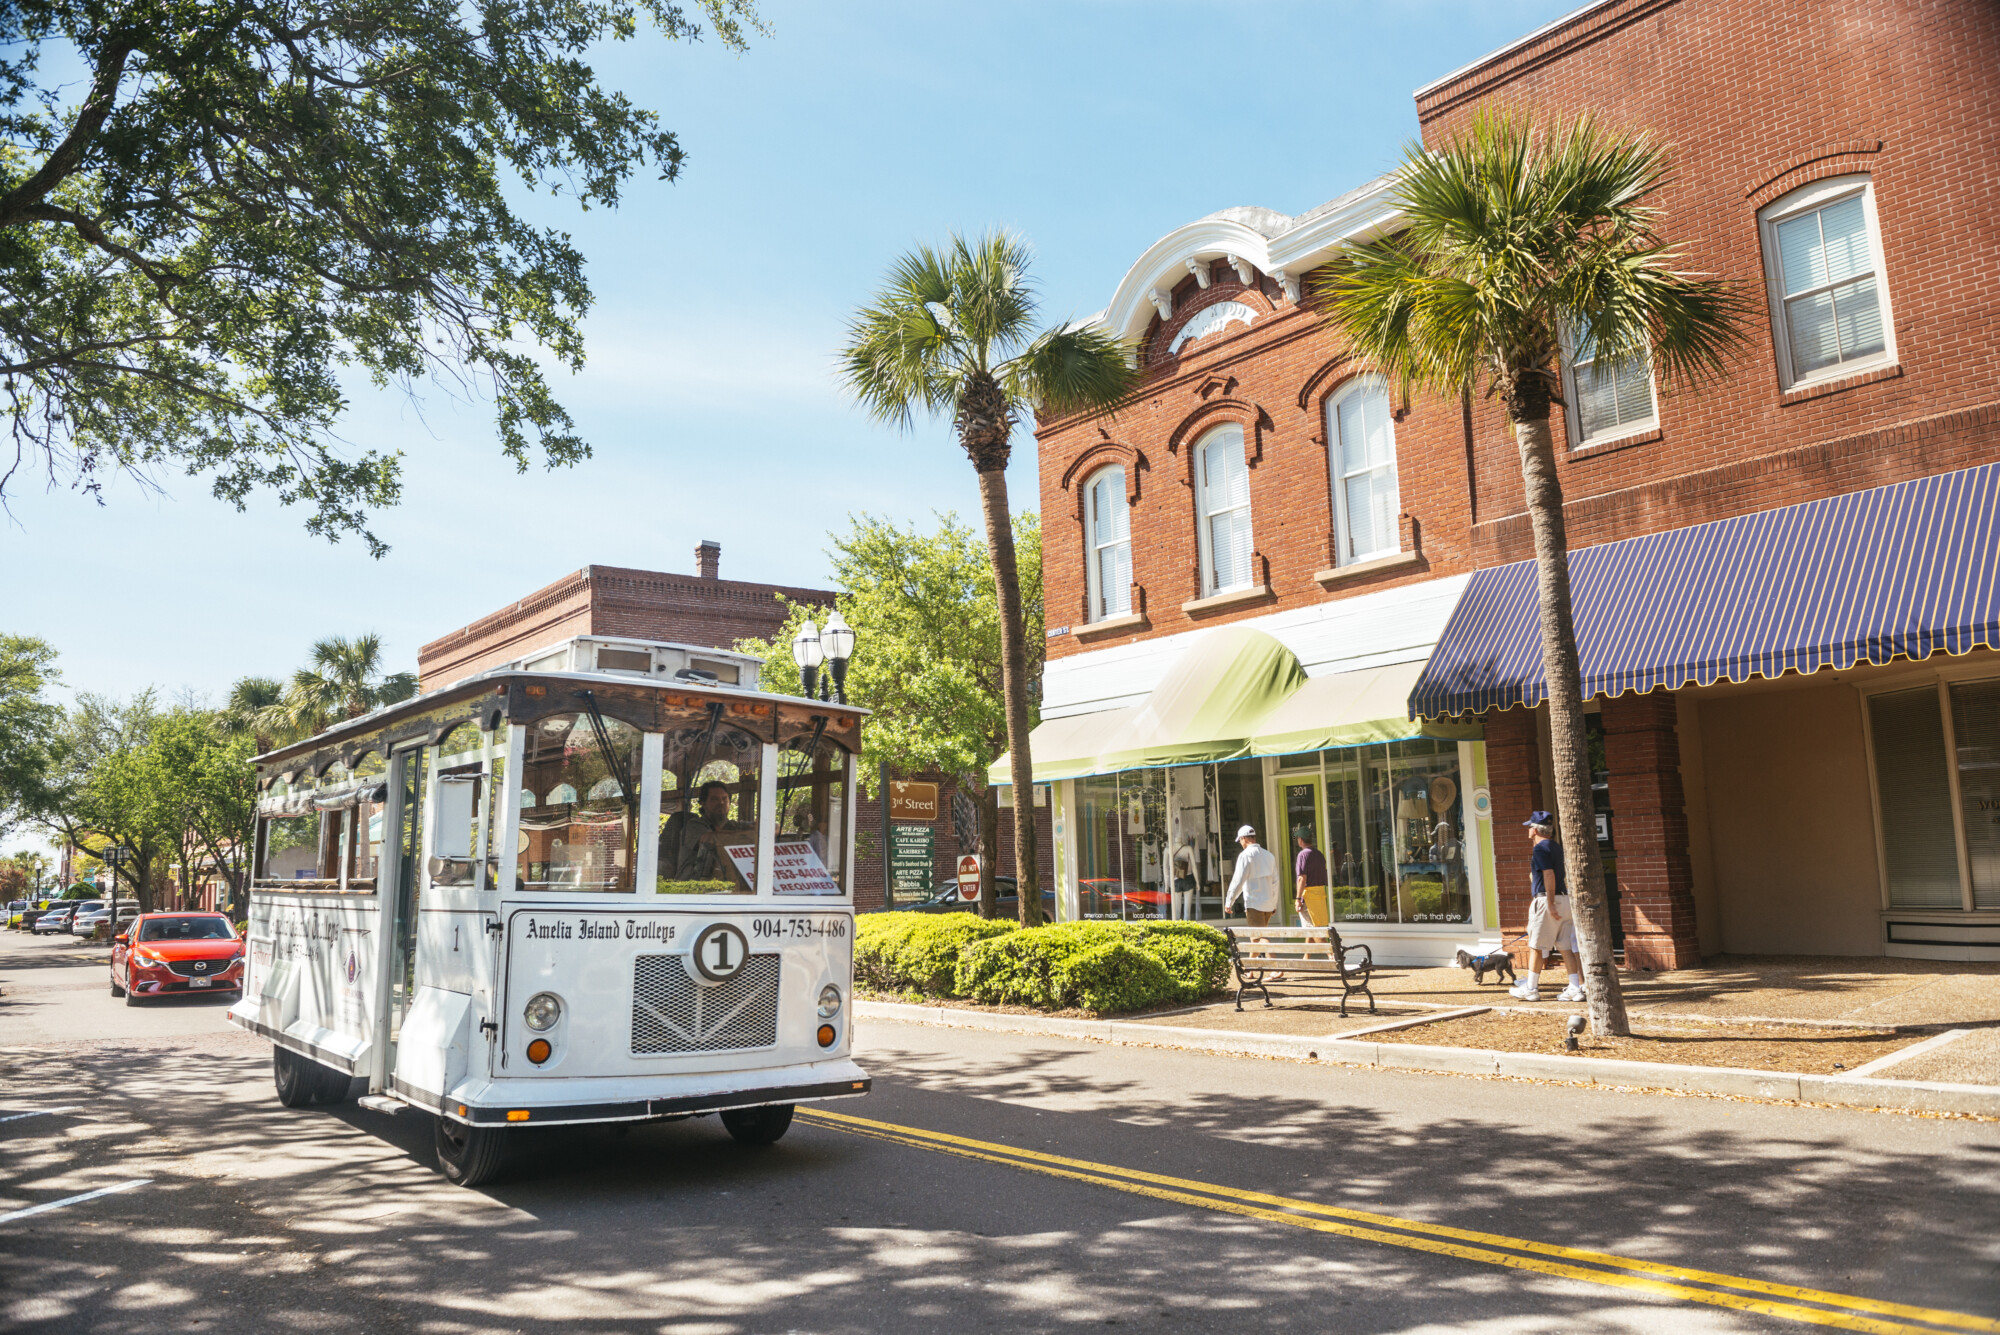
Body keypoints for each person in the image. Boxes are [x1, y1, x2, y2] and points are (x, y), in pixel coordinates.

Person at [1512, 812, 1586, 1003]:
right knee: (1566, 947)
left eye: (1530, 827)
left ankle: (1531, 989)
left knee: (1536, 946)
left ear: (1535, 830)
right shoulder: (1555, 846)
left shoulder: (1540, 849)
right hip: (1564, 899)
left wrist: (1550, 902)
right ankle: (1575, 988)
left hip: (1547, 900)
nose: (1528, 830)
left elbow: (1549, 874)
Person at [659, 781, 748, 882]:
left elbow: (755, 829)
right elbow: (709, 841)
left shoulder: (734, 826)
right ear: (703, 803)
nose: (721, 803)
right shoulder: (693, 826)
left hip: (721, 886)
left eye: (724, 798)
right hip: (690, 886)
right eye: (714, 799)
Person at [1222, 825, 1279, 926]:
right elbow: (1275, 882)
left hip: (1254, 904)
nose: (1240, 843)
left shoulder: (1245, 855)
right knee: (1261, 933)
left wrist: (1229, 902)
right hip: (1268, 905)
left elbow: (1238, 881)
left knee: (1256, 935)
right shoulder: (1269, 855)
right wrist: (1273, 904)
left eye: (1240, 840)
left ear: (1243, 838)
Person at [1293, 827, 1328, 927]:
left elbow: (1302, 878)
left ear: (1300, 839)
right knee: (1318, 929)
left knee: (1311, 931)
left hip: (1308, 899)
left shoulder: (1302, 855)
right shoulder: (1319, 854)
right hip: (1320, 898)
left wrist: (1298, 899)